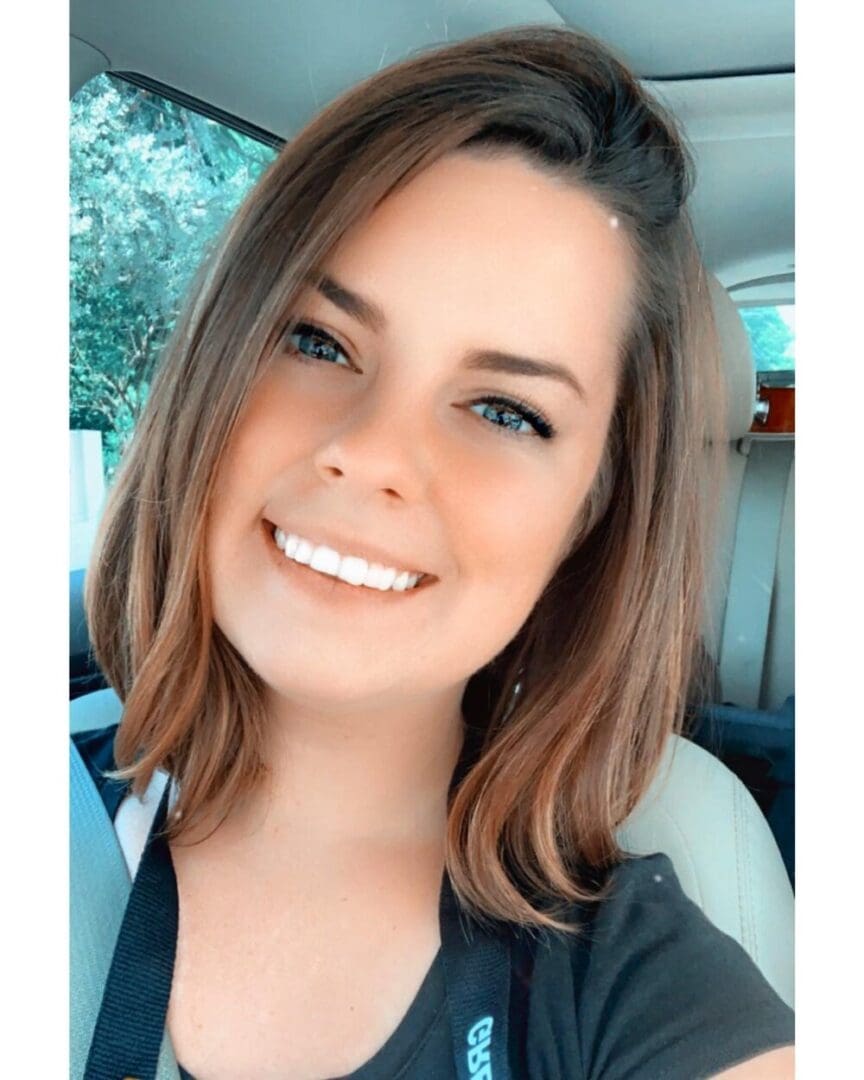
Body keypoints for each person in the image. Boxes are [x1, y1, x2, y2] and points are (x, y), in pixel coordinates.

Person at [73, 24, 795, 1080]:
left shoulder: (639, 984)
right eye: (319, 340)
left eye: (505, 411)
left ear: (589, 518)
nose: (368, 456)